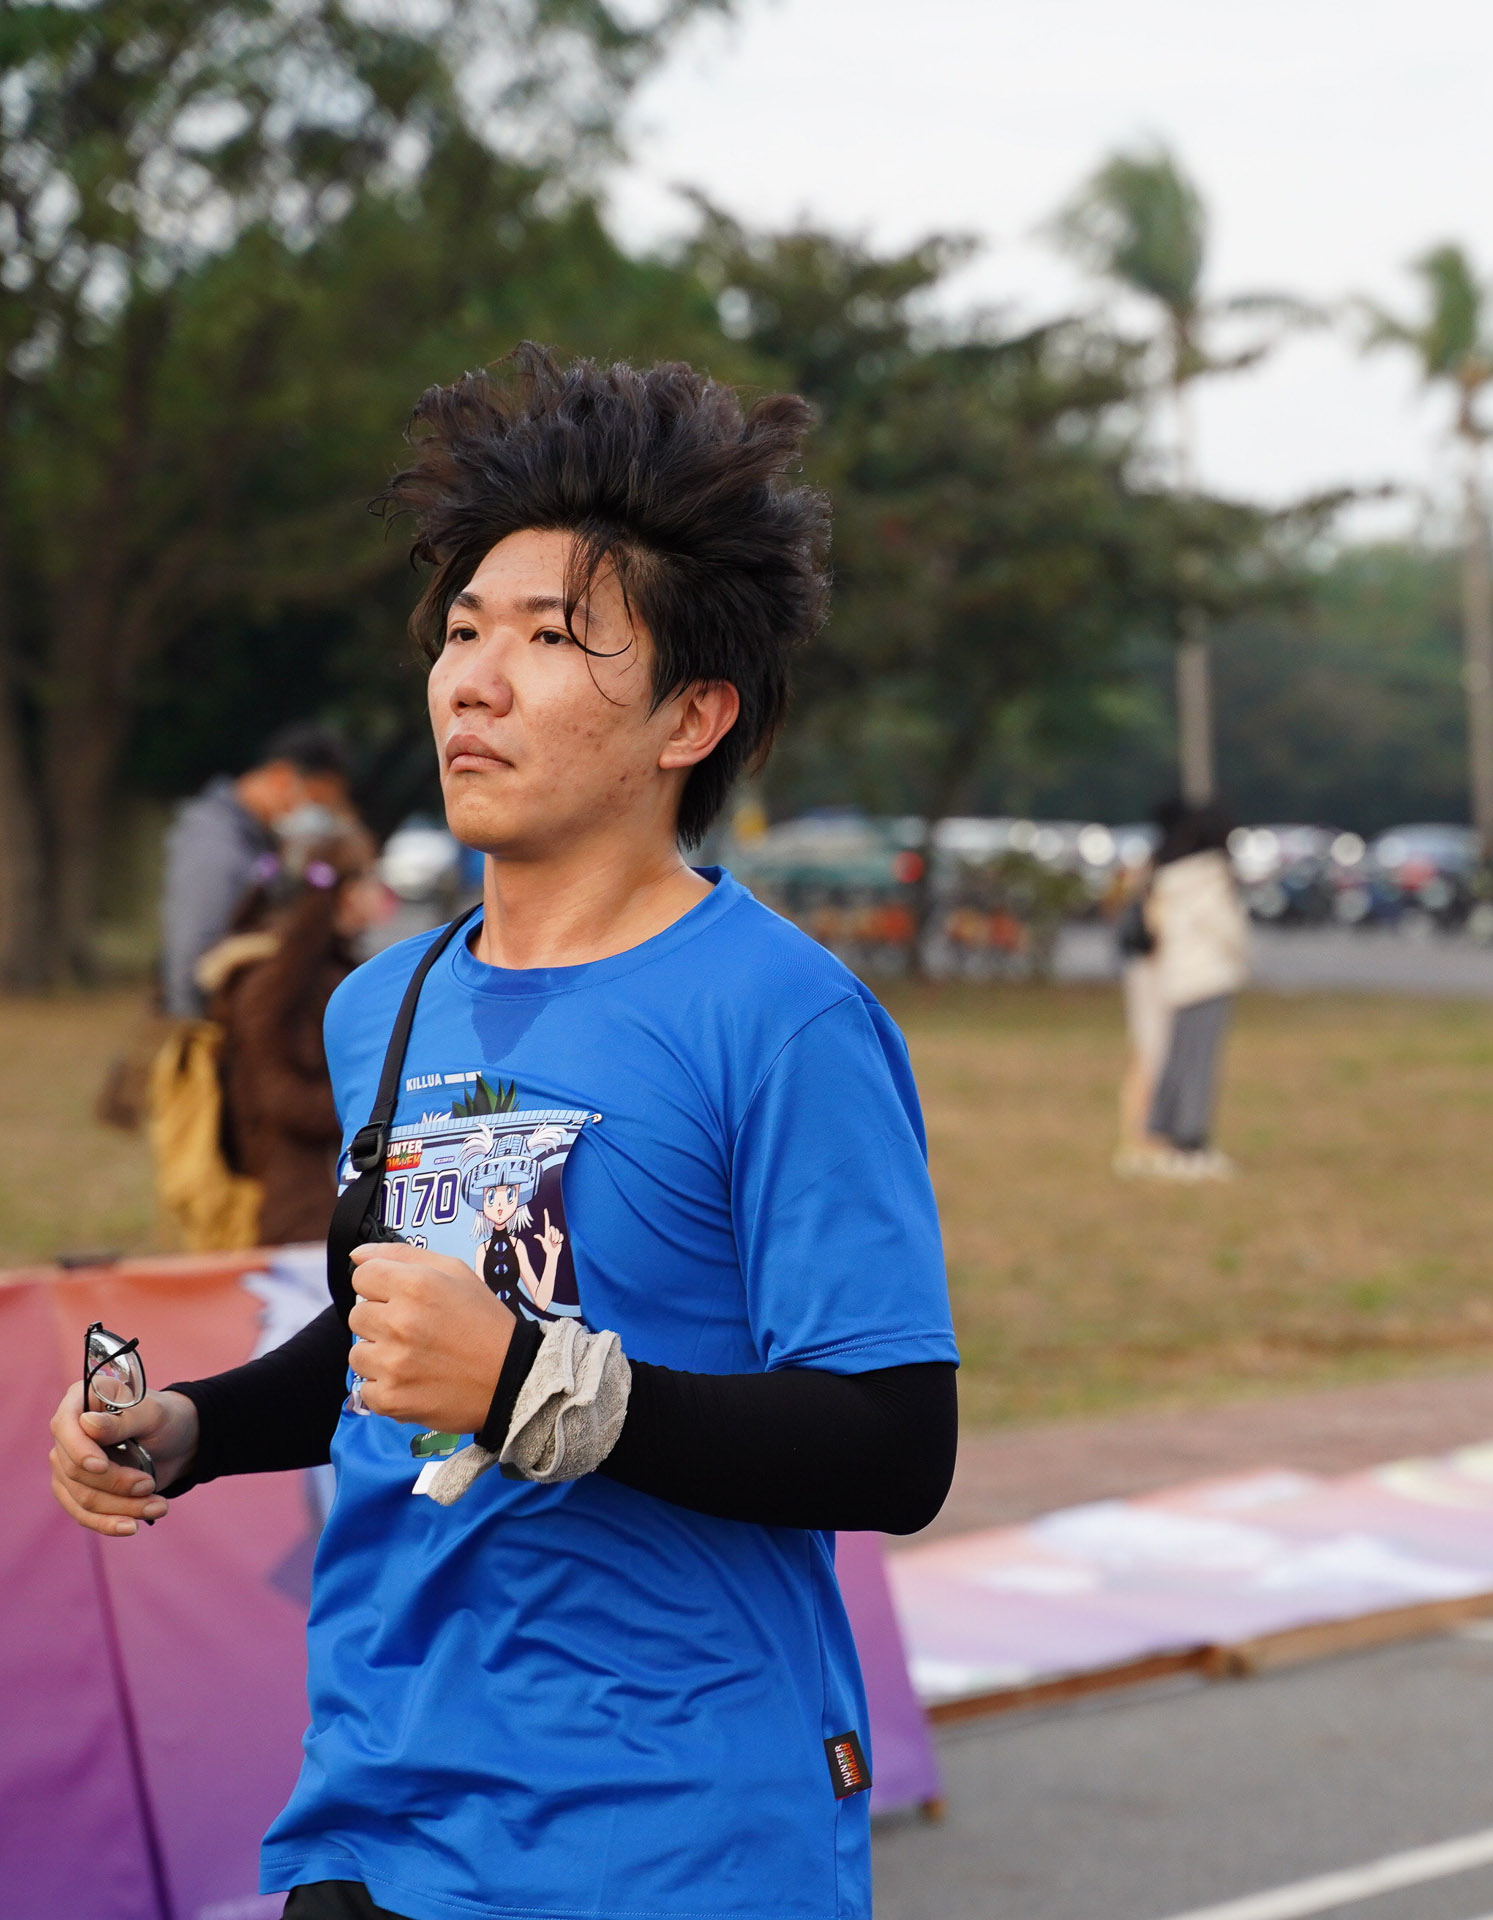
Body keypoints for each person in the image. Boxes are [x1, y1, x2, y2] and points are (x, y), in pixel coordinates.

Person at [48, 345, 959, 1920]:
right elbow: (395, 1338)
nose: (474, 680)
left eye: (550, 638)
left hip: (670, 1840)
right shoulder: (383, 1005)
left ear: (692, 715)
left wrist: (541, 1386)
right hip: (377, 1810)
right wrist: (193, 1428)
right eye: (465, 631)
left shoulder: (781, 1016)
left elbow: (894, 1442)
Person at [203, 832, 395, 1246]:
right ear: (348, 893)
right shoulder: (277, 984)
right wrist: (384, 1106)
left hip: (324, 1193)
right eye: (372, 880)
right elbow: (281, 1098)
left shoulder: (324, 975)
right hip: (301, 1204)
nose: (381, 893)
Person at [159, 723, 355, 1017]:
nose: (316, 815)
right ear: (280, 778)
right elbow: (192, 963)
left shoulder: (252, 840)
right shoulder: (216, 846)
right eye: (316, 801)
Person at [1140, 798, 1249, 1180]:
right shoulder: (1210, 879)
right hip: (1209, 979)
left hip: (1177, 979)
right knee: (1200, 1064)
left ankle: (1166, 1132)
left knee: (1177, 1060)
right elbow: (1228, 931)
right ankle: (1191, 1141)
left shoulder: (1169, 878)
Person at [1106, 846, 1172, 1176]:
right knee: (1149, 1061)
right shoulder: (1156, 899)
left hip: (1145, 981)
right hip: (1152, 984)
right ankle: (1139, 1138)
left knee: (1145, 1060)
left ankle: (1141, 1137)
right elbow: (1157, 937)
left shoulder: (1141, 890)